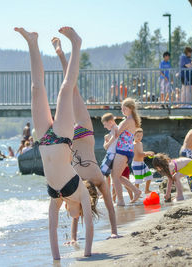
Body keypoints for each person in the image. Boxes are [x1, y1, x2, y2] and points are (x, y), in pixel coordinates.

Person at [15, 26, 94, 260]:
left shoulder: (56, 199)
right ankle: (77, 43)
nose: (74, 217)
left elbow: (51, 231)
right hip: (61, 136)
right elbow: (89, 228)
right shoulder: (82, 195)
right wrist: (88, 254)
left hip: (42, 140)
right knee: (64, 90)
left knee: (36, 89)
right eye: (76, 216)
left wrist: (56, 260)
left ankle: (32, 42)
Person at [52, 37, 118, 240]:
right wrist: (113, 233)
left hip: (84, 132)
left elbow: (108, 205)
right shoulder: (76, 185)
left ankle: (64, 54)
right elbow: (101, 207)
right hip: (69, 136)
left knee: (72, 88)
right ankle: (63, 53)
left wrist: (115, 231)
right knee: (68, 90)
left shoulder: (96, 180)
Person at [110, 98, 142, 206]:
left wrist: (112, 126)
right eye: (122, 108)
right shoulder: (132, 120)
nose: (122, 110)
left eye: (125, 108)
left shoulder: (128, 120)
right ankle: (136, 191)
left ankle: (120, 201)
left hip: (123, 151)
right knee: (117, 176)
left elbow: (117, 134)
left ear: (131, 109)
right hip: (127, 151)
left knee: (115, 176)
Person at [132, 128, 154, 194]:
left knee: (149, 176)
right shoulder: (134, 144)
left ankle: (146, 190)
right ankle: (136, 192)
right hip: (136, 164)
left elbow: (141, 152)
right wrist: (147, 153)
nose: (139, 137)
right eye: (137, 136)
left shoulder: (140, 143)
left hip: (142, 163)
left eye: (141, 135)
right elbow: (139, 154)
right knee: (138, 180)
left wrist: (147, 153)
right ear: (133, 136)